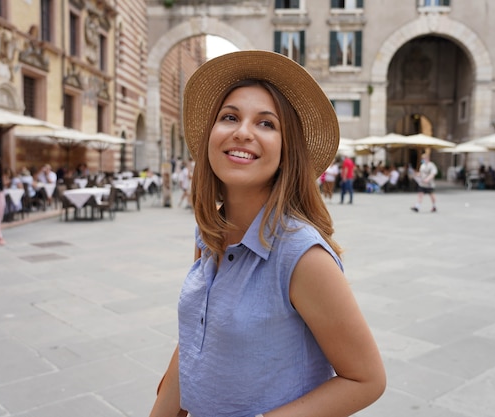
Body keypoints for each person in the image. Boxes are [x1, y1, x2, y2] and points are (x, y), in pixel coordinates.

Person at [149, 50, 385, 417]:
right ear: (211, 136)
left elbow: (366, 380)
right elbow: (195, 342)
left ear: (286, 150)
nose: (243, 132)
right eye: (229, 117)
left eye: (266, 124)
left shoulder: (303, 256)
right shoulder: (208, 233)